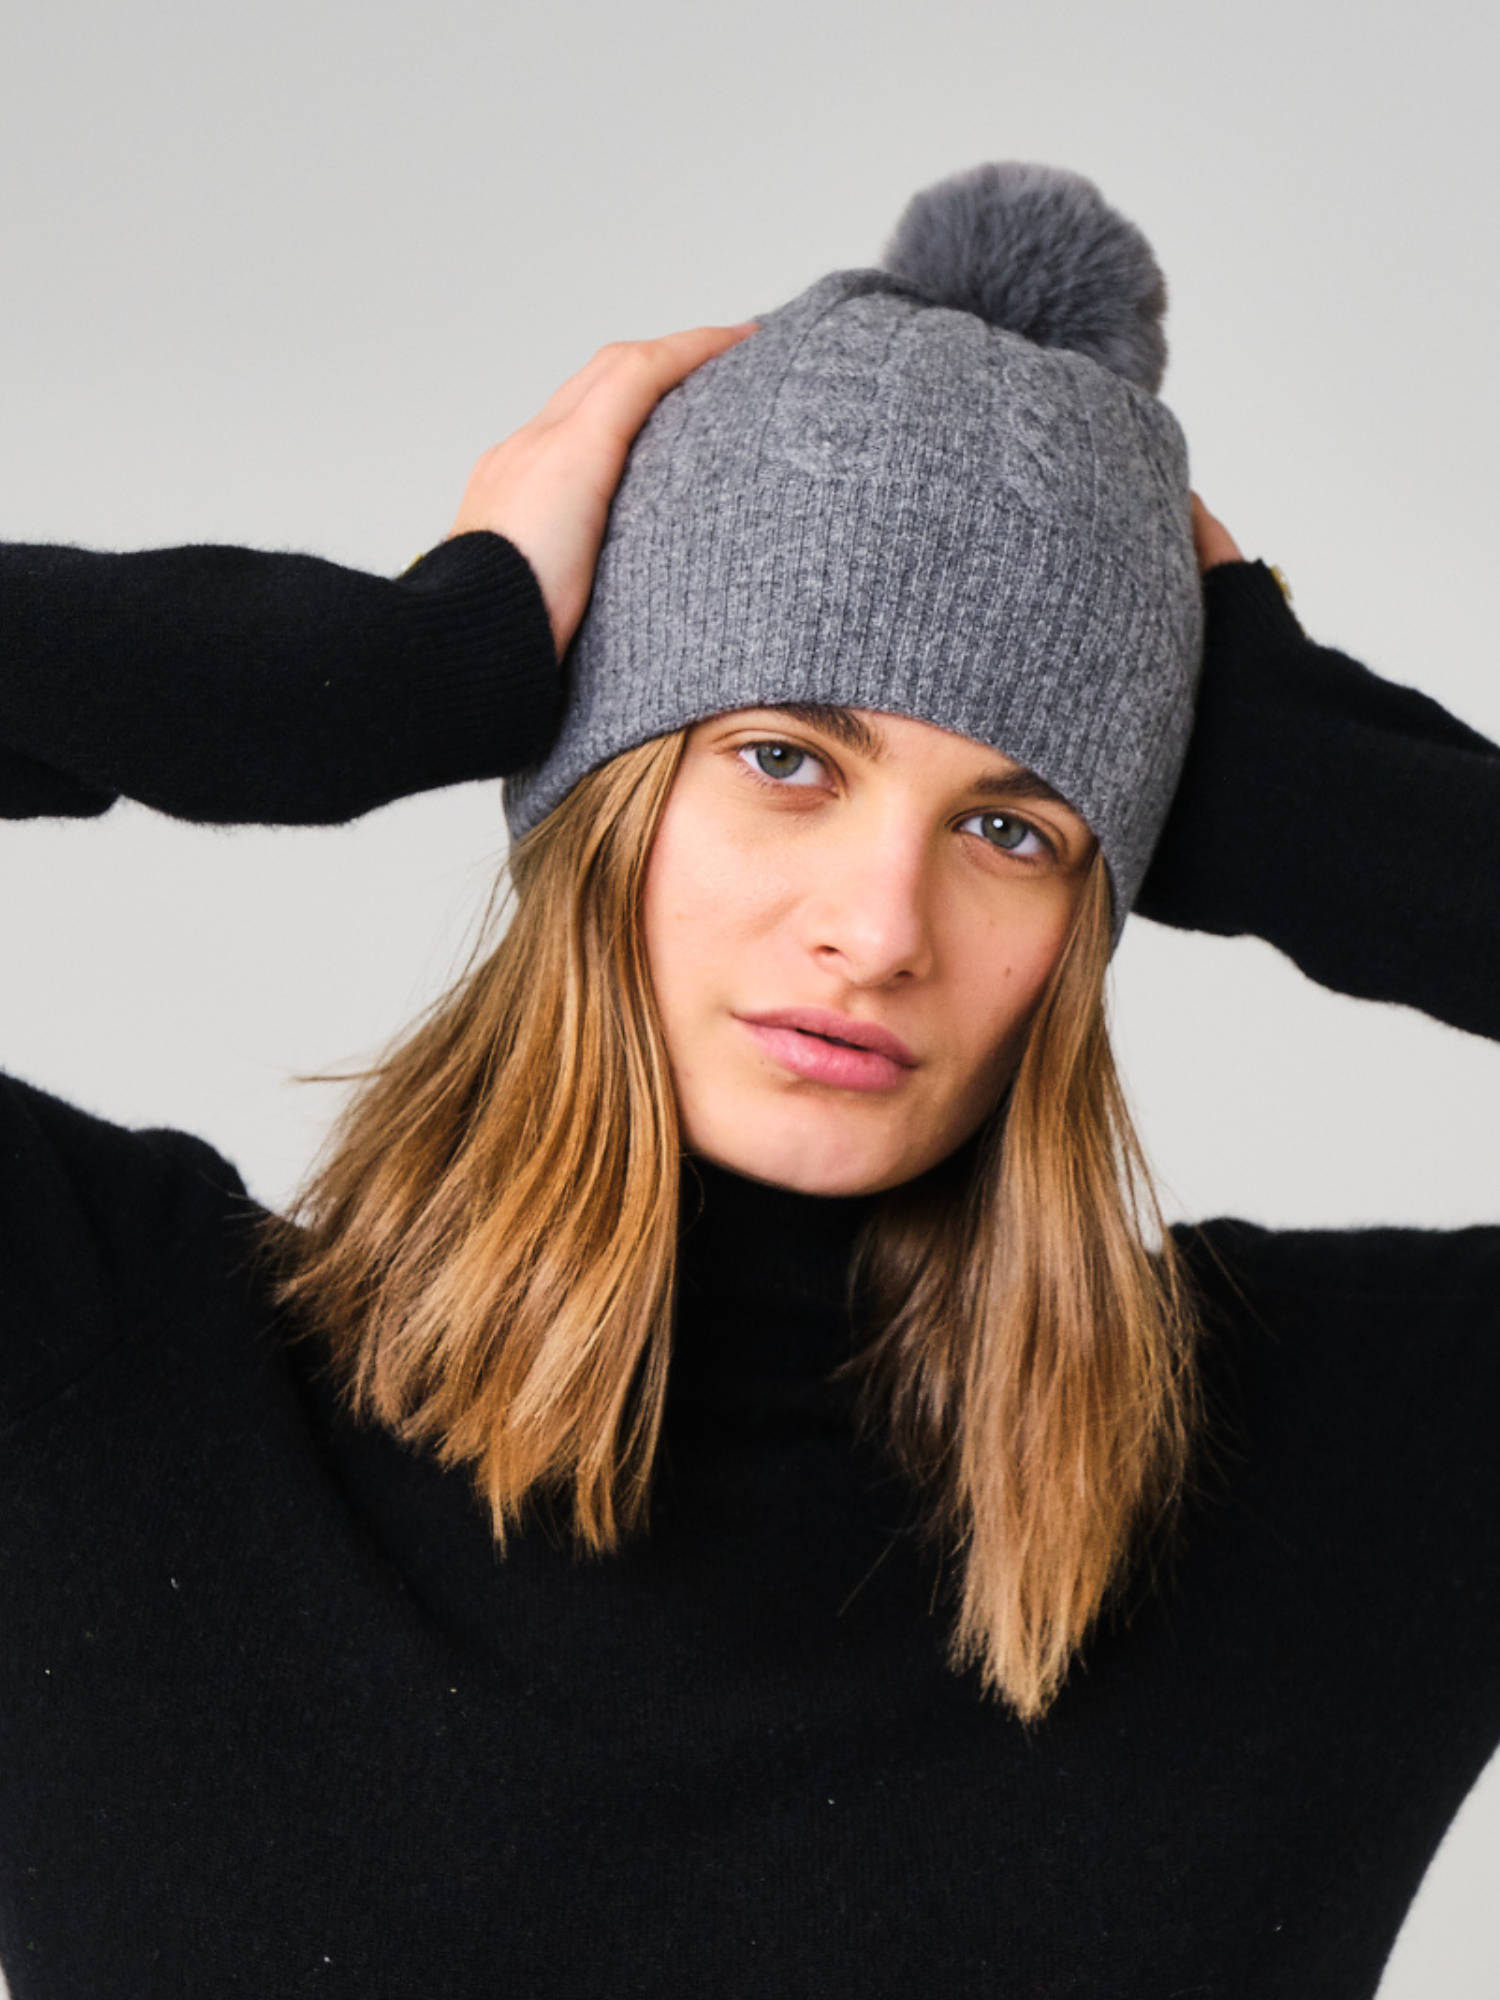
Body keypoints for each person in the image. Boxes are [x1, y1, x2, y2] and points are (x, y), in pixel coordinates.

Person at [0, 159, 1495, 2000]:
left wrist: (1328, 800)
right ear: (605, 796)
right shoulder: (116, 1367)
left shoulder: (1336, 1467)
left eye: (1012, 832)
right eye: (786, 757)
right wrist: (368, 677)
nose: (880, 926)